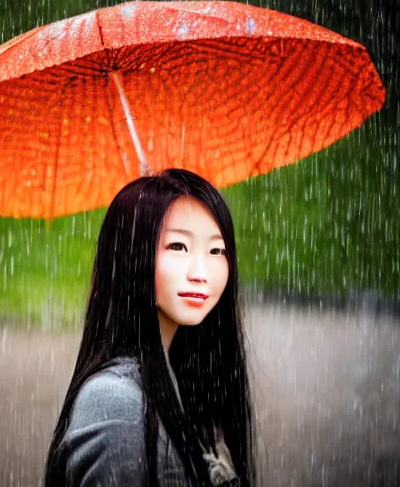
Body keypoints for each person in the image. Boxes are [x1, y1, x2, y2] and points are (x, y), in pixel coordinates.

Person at [44, 169, 256, 486]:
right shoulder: (115, 404)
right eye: (178, 247)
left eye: (216, 251)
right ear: (131, 253)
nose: (201, 272)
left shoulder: (191, 378)